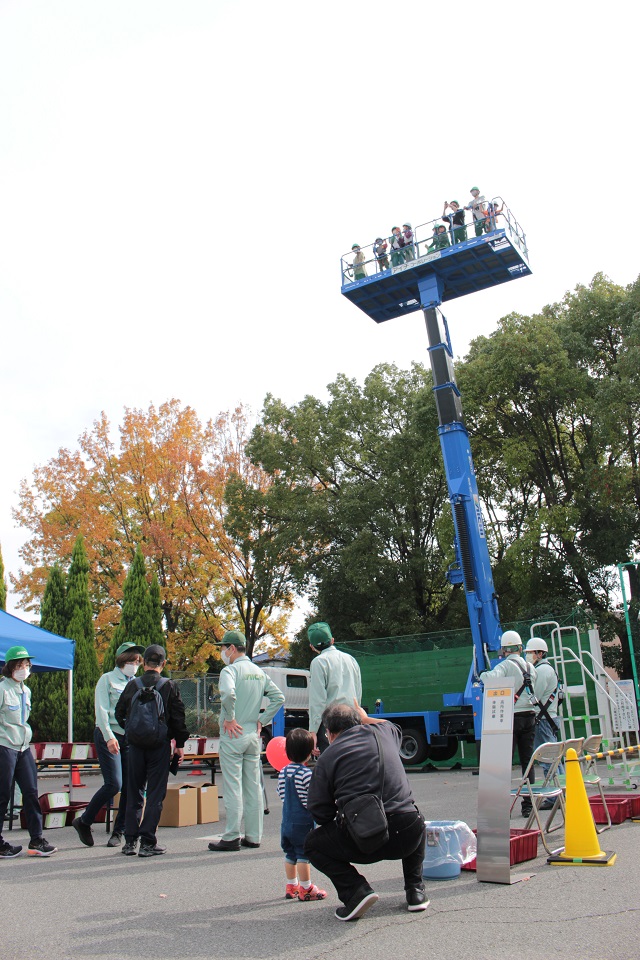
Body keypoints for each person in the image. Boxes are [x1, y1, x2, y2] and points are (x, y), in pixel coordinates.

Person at [305, 703, 428, 921]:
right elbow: (392, 726)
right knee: (416, 817)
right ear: (360, 721)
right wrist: (366, 717)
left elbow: (320, 813)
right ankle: (415, 890)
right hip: (406, 835)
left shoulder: (327, 757)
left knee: (313, 845)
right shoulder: (385, 732)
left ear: (330, 733)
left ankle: (356, 891)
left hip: (364, 839)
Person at [207, 630, 285, 852]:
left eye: (223, 648)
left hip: (233, 734)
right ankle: (253, 836)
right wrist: (262, 720)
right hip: (252, 733)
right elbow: (278, 697)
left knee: (233, 787)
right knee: (253, 786)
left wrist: (230, 718)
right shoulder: (258, 672)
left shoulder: (229, 670)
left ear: (232, 648)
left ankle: (231, 835)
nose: (222, 652)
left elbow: (229, 695)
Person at [115, 643, 188, 857]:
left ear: (144, 663)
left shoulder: (132, 685)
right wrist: (179, 744)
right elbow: (178, 718)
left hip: (135, 746)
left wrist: (131, 730)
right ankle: (148, 842)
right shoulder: (169, 686)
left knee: (134, 791)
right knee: (155, 794)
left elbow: (119, 713)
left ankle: (129, 842)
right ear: (163, 664)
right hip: (159, 746)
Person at [72, 641, 145, 849]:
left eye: (137, 661)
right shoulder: (107, 679)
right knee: (115, 783)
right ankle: (84, 821)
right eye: (131, 660)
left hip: (129, 737)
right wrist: (109, 737)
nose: (134, 664)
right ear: (122, 660)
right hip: (108, 734)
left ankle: (119, 831)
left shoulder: (137, 682)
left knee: (130, 787)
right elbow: (101, 711)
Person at [0, 645, 57, 858]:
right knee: (3, 795)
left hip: (23, 748)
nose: (24, 669)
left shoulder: (26, 690)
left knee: (31, 793)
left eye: (26, 665)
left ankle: (37, 839)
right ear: (10, 668)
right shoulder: (2, 689)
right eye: (19, 665)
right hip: (4, 746)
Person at [480, 630, 538, 816]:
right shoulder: (531, 668)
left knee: (503, 763)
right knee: (527, 762)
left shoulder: (505, 666)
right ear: (521, 648)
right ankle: (528, 805)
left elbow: (490, 679)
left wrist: (482, 675)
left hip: (512, 718)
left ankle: (499, 807)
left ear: (504, 650)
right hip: (530, 716)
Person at [277, 727, 327, 902]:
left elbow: (281, 793)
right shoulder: (307, 774)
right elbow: (310, 799)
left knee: (290, 854)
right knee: (303, 856)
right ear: (308, 753)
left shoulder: (283, 772)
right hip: (302, 823)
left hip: (286, 821)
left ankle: (292, 885)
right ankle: (306, 888)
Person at [308, 622, 362, 754]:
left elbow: (318, 699)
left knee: (333, 765)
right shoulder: (351, 659)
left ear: (312, 646)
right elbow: (358, 692)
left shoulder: (318, 662)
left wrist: (313, 731)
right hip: (352, 718)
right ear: (332, 640)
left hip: (331, 721)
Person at [526, 637, 562, 784]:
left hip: (543, 720)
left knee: (547, 759)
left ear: (540, 654)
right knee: (555, 759)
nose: (527, 655)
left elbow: (535, 697)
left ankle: (553, 797)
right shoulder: (550, 669)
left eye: (530, 652)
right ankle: (561, 792)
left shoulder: (541, 671)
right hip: (550, 718)